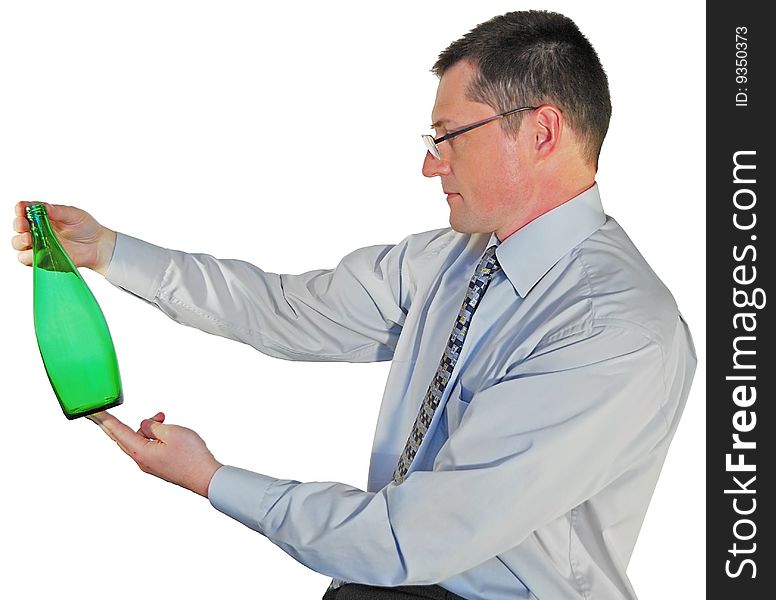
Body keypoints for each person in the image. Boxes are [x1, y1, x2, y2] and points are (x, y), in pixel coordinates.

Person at [11, 10, 696, 600]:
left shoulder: (614, 330)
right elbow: (284, 309)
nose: (431, 165)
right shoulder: (450, 261)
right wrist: (107, 250)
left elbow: (412, 538)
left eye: (448, 137)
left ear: (541, 132)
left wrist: (211, 479)